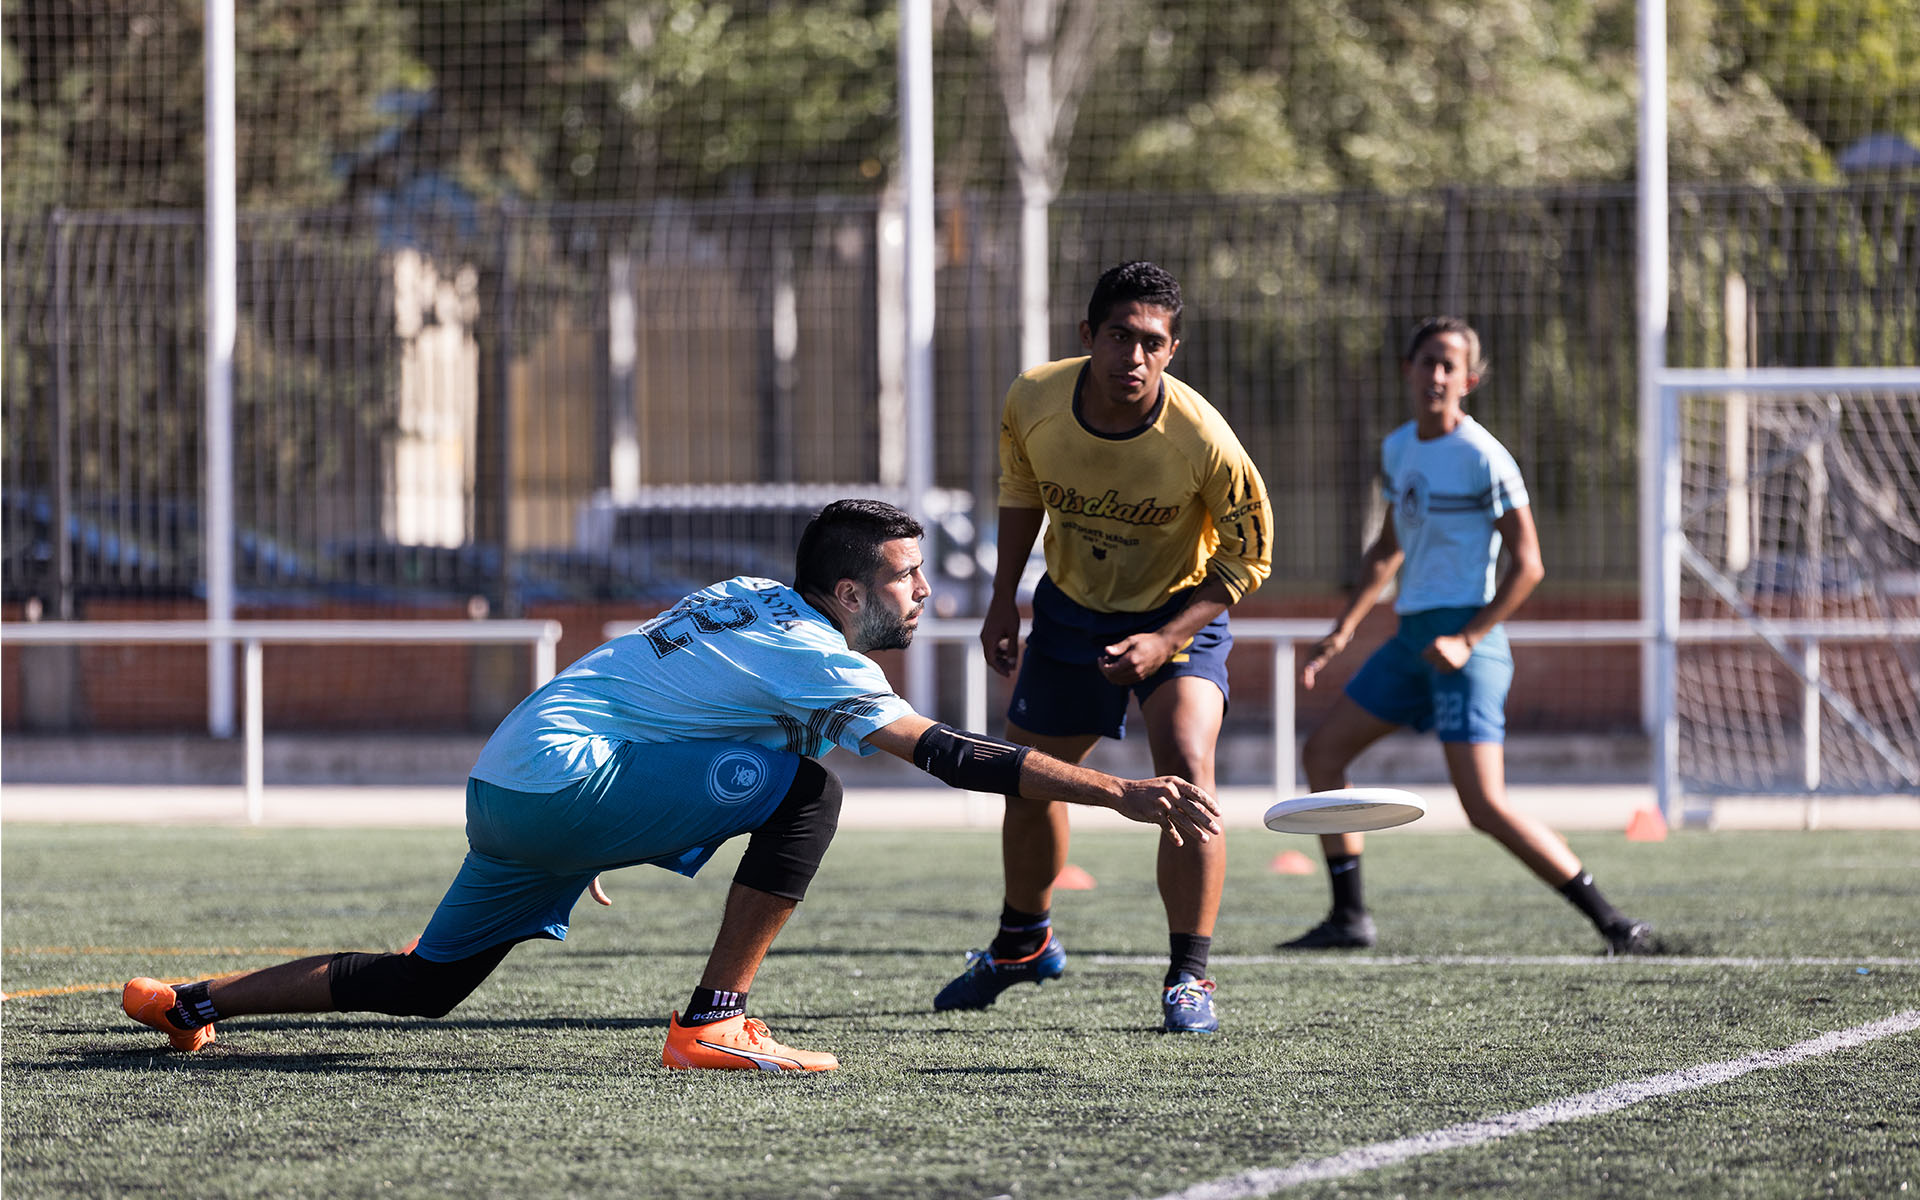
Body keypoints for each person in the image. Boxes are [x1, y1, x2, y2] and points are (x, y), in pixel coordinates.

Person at [119, 499, 1222, 1072]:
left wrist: (600, 819)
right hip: (572, 782)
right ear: (848, 590)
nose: (927, 592)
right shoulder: (817, 652)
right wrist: (1119, 794)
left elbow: (642, 685)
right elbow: (953, 757)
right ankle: (714, 1021)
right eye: (908, 576)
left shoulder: (744, 591)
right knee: (810, 791)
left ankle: (194, 1003)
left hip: (515, 777)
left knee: (426, 987)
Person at [936, 261, 1272, 1034]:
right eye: (1120, 336)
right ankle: (1023, 940)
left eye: (1152, 342)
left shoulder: (1204, 439)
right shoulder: (1034, 399)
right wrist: (1000, 601)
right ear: (1088, 335)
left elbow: (1247, 558)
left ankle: (1190, 976)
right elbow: (1020, 494)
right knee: (1028, 779)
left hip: (1181, 613)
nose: (1134, 356)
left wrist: (1165, 638)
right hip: (1070, 613)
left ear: (1173, 350)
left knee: (1187, 769)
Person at [1278, 316, 1652, 955]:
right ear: (1408, 369)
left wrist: (1469, 638)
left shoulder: (1484, 456)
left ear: (1470, 380)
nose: (1437, 375)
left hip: (1464, 649)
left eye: (1451, 365)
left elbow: (1530, 563)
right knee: (1322, 756)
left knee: (1483, 807)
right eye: (1428, 361)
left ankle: (1615, 923)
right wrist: (1341, 630)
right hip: (1410, 643)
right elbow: (1388, 549)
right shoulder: (1399, 449)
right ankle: (1350, 918)